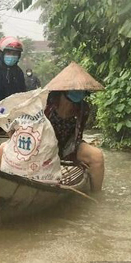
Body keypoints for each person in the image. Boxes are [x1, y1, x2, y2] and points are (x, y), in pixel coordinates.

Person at [44, 62, 105, 192]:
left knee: (97, 156)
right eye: (75, 90)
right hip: (43, 145)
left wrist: (74, 157)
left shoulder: (84, 108)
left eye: (81, 91)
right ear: (64, 90)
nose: (79, 93)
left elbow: (78, 135)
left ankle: (96, 195)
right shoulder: (46, 103)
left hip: (68, 146)